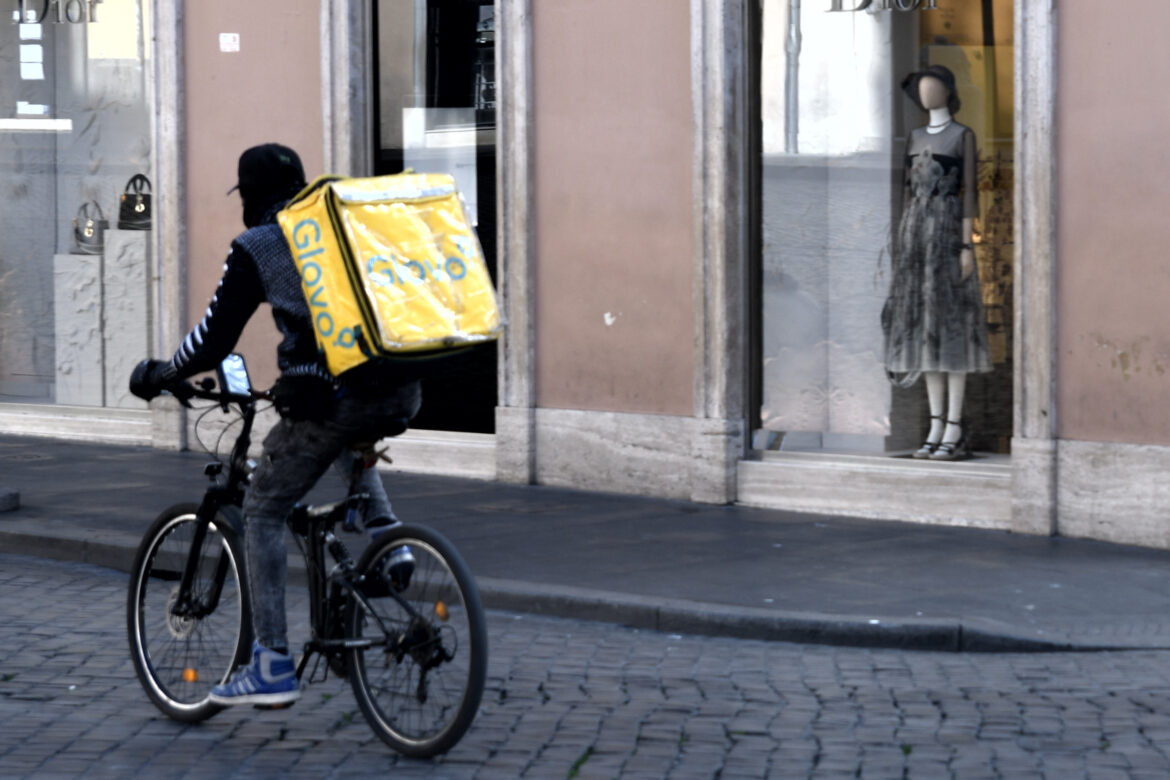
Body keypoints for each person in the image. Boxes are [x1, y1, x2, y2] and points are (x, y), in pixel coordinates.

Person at [130, 143, 421, 706]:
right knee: (331, 425)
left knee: (263, 509)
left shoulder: (261, 243)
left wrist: (163, 372)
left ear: (251, 196)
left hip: (341, 395)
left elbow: (215, 336)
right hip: (401, 386)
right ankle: (392, 542)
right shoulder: (336, 227)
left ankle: (270, 664)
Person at [882, 65, 991, 461]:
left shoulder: (963, 135)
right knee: (924, 332)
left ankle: (955, 426)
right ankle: (935, 424)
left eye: (933, 87)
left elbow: (970, 195)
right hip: (915, 239)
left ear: (948, 91)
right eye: (920, 89)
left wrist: (966, 247)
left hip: (946, 235)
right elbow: (904, 192)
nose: (926, 94)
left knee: (952, 329)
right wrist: (900, 243)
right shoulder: (911, 137)